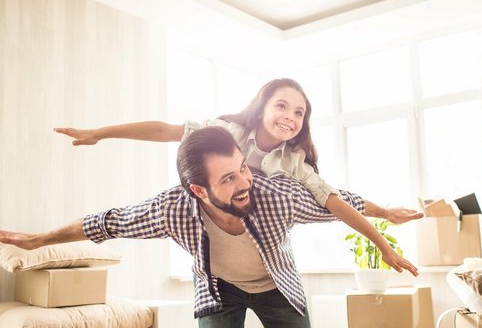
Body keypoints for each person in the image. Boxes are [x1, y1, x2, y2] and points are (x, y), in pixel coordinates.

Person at [0, 127, 419, 328]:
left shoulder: (277, 196)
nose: (245, 183)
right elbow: (106, 222)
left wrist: (386, 213)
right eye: (228, 179)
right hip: (220, 291)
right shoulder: (170, 209)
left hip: (278, 288)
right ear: (199, 190)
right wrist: (38, 240)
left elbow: (335, 202)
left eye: (242, 169)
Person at [54, 78, 423, 274]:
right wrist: (100, 133)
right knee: (130, 216)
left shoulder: (293, 160)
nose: (290, 117)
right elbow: (165, 130)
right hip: (214, 217)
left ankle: (384, 213)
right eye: (282, 106)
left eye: (299, 113)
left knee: (322, 199)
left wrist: (384, 240)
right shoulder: (227, 131)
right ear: (261, 107)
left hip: (259, 234)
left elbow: (334, 201)